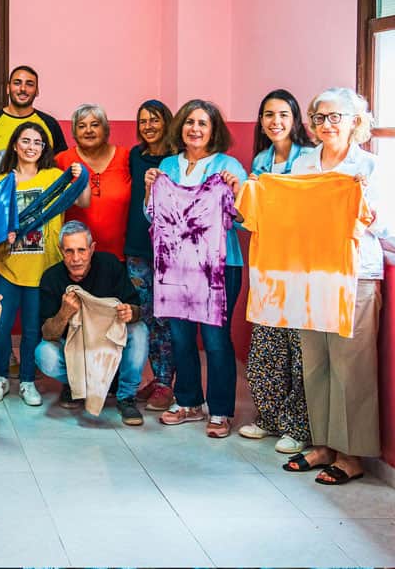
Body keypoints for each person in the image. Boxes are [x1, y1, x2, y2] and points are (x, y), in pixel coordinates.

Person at [283, 88, 393, 485]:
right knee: (315, 363)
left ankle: (350, 455)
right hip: (311, 274)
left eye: (335, 117)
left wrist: (366, 210)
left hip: (355, 275)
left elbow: (387, 227)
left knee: (351, 365)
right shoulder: (303, 164)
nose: (326, 124)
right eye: (320, 117)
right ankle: (323, 445)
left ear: (354, 122)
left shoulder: (371, 167)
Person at [144, 99, 247, 439]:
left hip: (220, 266)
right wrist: (149, 189)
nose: (195, 129)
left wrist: (236, 193)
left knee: (216, 339)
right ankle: (188, 401)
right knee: (180, 336)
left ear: (214, 130)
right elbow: (152, 216)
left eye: (203, 123)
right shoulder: (168, 166)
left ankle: (220, 409)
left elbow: (244, 220)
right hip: (175, 266)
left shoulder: (228, 167)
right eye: (190, 122)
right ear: (181, 127)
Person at [0, 122, 88, 406]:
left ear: (44, 148)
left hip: (44, 269)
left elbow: (83, 201)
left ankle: (28, 381)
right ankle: (0, 377)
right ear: (15, 145)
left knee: (33, 329)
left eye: (37, 142)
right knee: (0, 326)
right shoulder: (1, 181)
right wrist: (2, 234)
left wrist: (81, 175)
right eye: (25, 141)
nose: (31, 147)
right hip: (8, 267)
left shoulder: (54, 177)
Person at [238, 89, 314, 453]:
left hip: (301, 267)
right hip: (267, 264)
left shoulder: (310, 160)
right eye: (269, 114)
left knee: (299, 350)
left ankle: (297, 426)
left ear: (295, 119)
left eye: (283, 114)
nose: (276, 121)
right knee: (267, 345)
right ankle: (269, 418)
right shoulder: (261, 161)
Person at [35, 221, 148, 426]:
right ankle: (77, 385)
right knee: (44, 354)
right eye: (69, 251)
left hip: (107, 348)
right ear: (61, 251)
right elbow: (48, 334)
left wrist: (130, 312)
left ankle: (126, 397)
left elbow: (138, 310)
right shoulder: (52, 278)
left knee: (139, 330)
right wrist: (64, 313)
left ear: (92, 248)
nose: (76, 258)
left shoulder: (110, 265)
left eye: (81, 250)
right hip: (75, 352)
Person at [125, 99, 176, 412]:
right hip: (136, 247)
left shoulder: (177, 159)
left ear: (166, 122)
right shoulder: (135, 155)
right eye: (143, 121)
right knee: (144, 316)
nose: (148, 126)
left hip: (168, 251)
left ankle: (165, 383)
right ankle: (154, 379)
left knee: (165, 319)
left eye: (154, 120)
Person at [55, 103, 132, 260]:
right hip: (75, 258)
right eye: (81, 126)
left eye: (95, 125)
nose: (88, 130)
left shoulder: (127, 157)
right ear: (74, 132)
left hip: (119, 256)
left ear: (105, 129)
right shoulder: (61, 161)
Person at [0, 65, 67, 180]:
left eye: (29, 84)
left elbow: (61, 162)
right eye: (17, 83)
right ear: (8, 88)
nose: (23, 89)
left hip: (43, 191)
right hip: (1, 191)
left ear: (37, 91)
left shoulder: (50, 124)